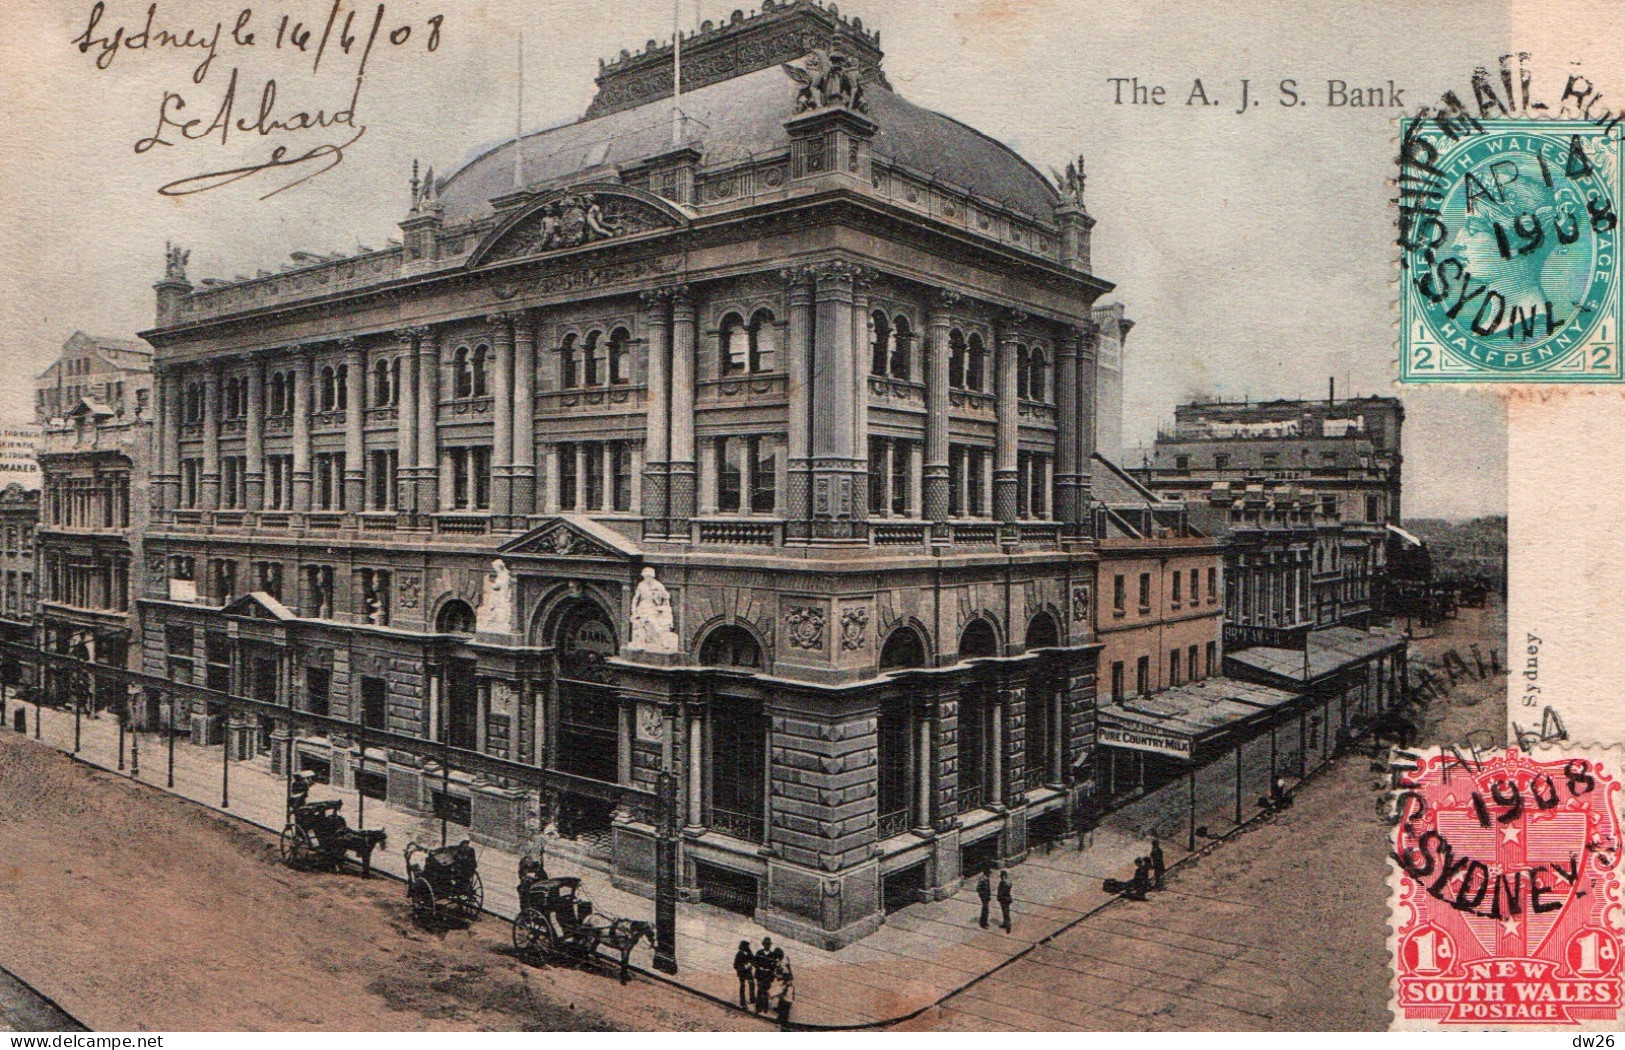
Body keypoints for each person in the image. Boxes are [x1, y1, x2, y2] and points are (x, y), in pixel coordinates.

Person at [752, 937, 778, 1014]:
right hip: (760, 975)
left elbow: (774, 967)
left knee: (766, 992)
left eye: (768, 944)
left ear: (770, 945)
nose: (767, 946)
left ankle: (765, 1010)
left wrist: (770, 975)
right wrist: (758, 967)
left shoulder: (773, 955)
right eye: (766, 944)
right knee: (759, 991)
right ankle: (758, 1009)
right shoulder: (759, 953)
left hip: (768, 976)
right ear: (763, 945)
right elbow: (753, 962)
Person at [732, 940, 756, 1010]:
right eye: (745, 946)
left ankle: (752, 1000)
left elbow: (753, 960)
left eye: (747, 946)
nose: (747, 947)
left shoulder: (749, 953)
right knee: (743, 986)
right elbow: (735, 965)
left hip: (748, 971)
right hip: (742, 972)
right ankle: (743, 1003)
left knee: (751, 984)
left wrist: (750, 964)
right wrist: (742, 967)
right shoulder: (739, 954)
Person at [773, 958, 795, 1024]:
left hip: (785, 987)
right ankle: (780, 1009)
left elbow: (782, 977)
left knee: (783, 999)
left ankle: (781, 1020)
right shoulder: (782, 968)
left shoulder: (784, 970)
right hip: (785, 985)